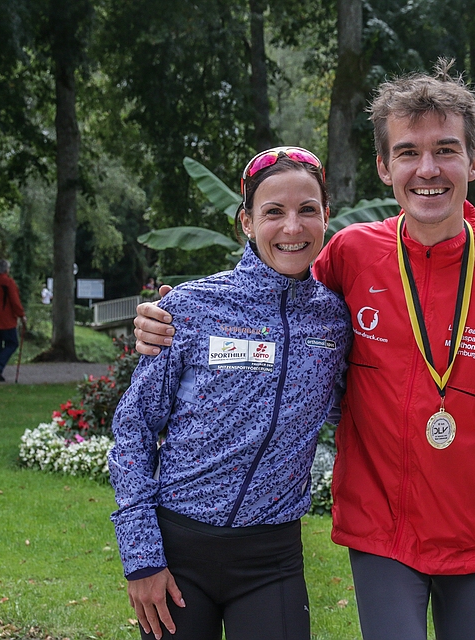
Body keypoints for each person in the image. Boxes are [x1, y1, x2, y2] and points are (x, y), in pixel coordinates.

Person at [134, 61, 475, 640]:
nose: (427, 169)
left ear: (474, 161)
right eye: (407, 152)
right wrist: (174, 318)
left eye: (446, 150)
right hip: (381, 531)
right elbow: (274, 295)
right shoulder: (351, 255)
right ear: (384, 167)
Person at [109, 147, 351, 640]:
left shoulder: (333, 320)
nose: (292, 227)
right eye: (273, 212)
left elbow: (353, 410)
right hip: (178, 551)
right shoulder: (191, 308)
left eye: (307, 209)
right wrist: (140, 557)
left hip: (272, 559)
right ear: (246, 221)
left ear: (326, 216)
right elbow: (134, 428)